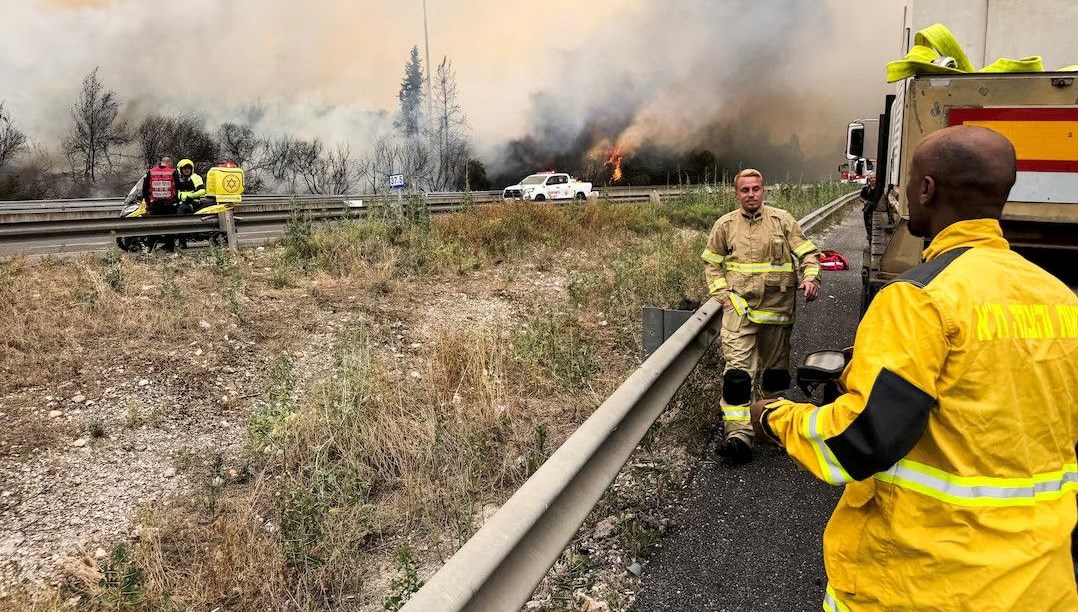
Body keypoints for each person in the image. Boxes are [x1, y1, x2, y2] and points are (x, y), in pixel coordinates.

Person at [751, 125, 1078, 610]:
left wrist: (776, 418)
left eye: (908, 181)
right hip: (1040, 586)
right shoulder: (1059, 297)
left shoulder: (917, 299)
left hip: (921, 583)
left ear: (926, 190)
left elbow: (859, 441)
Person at [701, 168, 821, 464]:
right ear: (736, 193)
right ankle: (738, 437)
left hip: (777, 314)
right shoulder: (725, 225)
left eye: (756, 189)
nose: (751, 194)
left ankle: (770, 427)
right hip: (740, 313)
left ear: (763, 190)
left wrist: (811, 278)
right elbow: (712, 263)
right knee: (738, 375)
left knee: (774, 375)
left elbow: (807, 253)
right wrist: (723, 295)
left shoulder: (782, 220)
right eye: (745, 190)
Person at [859, 172, 877, 242]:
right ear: (869, 180)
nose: (873, 179)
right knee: (868, 225)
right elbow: (860, 197)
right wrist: (865, 201)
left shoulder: (879, 189)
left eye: (874, 177)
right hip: (868, 210)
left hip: (876, 210)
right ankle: (869, 239)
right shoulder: (865, 189)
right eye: (871, 178)